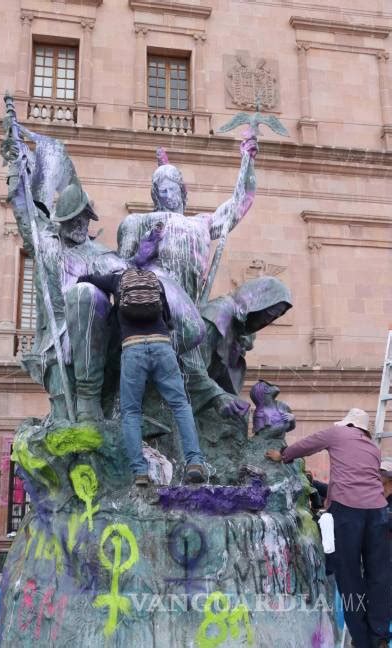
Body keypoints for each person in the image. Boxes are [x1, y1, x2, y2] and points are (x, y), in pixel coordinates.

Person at [116, 132, 259, 419]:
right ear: (154, 196)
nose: (168, 194)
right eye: (161, 190)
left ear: (183, 191)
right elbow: (119, 273)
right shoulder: (138, 221)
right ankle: (207, 392)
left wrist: (248, 160)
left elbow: (238, 205)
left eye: (172, 188)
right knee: (189, 328)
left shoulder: (201, 223)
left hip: (192, 306)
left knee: (226, 311)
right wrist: (141, 256)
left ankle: (205, 386)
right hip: (155, 309)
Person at [265, 408, 391, 648]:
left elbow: (307, 445)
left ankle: (363, 642)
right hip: (378, 512)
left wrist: (282, 455)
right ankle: (380, 637)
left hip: (348, 512)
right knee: (379, 577)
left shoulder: (337, 433)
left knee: (350, 577)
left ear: (348, 424)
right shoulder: (373, 448)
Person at [77, 268, 207, 487]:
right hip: (162, 346)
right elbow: (167, 316)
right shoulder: (154, 281)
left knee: (131, 412)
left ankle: (140, 472)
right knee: (180, 405)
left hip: (132, 348)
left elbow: (85, 280)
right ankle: (195, 462)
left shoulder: (116, 278)